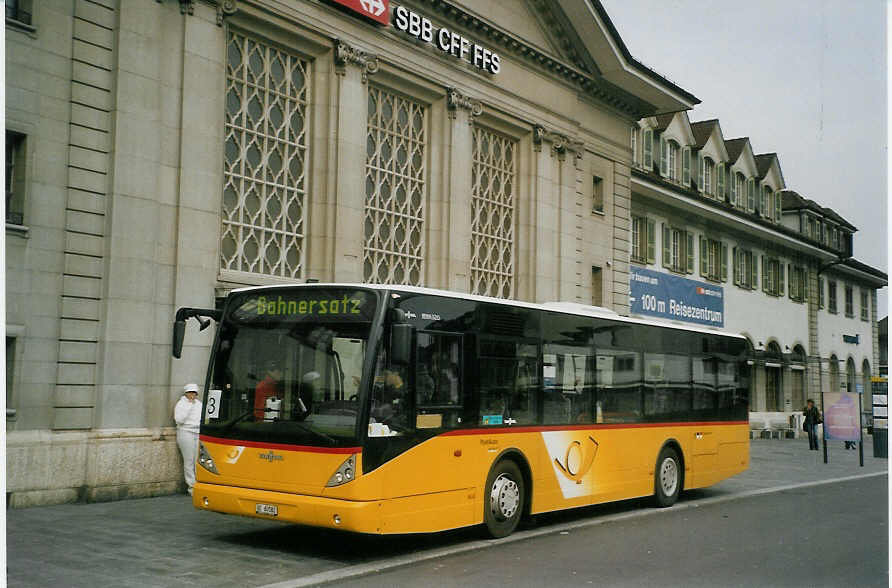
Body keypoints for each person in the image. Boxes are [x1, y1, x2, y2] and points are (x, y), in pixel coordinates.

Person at [174, 383, 202, 495]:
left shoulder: (199, 404)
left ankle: (198, 485)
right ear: (186, 393)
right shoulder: (181, 404)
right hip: (186, 433)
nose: (192, 395)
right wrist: (189, 406)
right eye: (190, 392)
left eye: (194, 392)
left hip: (198, 432)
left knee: (197, 460)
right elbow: (179, 420)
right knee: (189, 461)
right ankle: (191, 487)